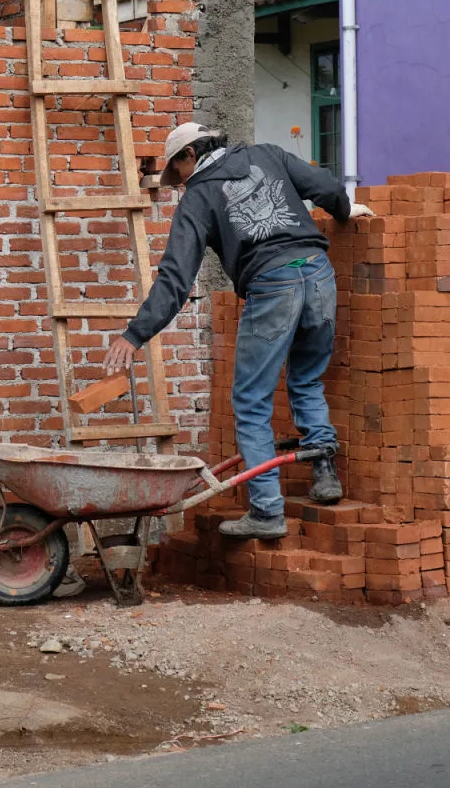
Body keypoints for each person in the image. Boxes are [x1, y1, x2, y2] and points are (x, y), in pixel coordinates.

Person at [103, 122, 374, 540]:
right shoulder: (268, 153)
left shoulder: (198, 197)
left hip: (273, 286)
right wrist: (343, 210)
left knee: (250, 400)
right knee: (305, 378)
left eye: (178, 170)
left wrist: (136, 333)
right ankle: (324, 474)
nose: (181, 181)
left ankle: (267, 511)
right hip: (319, 275)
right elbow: (324, 186)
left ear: (189, 156)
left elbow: (175, 279)